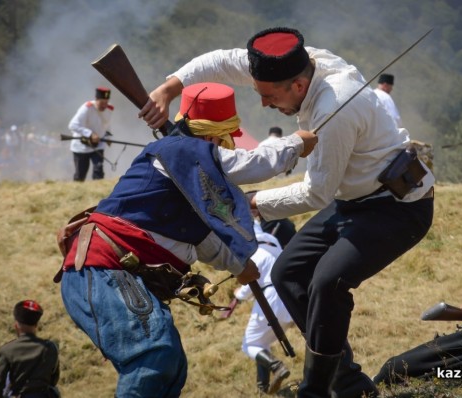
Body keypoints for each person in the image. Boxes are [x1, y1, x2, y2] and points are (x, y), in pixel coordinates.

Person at [139, 26, 434, 397]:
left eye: (268, 96)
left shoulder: (334, 107)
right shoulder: (289, 65)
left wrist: (252, 203)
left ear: (297, 86)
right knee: (287, 274)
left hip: (397, 207)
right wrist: (170, 89)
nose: (263, 104)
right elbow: (219, 62)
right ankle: (351, 386)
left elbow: (317, 192)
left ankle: (315, 390)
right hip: (353, 202)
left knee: (329, 282)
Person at [57, 82, 317, 397]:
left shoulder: (187, 168)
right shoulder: (181, 150)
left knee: (171, 365)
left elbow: (203, 237)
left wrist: (239, 266)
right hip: (104, 267)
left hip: (112, 271)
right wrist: (294, 143)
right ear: (212, 136)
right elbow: (249, 165)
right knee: (154, 355)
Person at [234, 213, 295, 395]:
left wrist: (237, 295)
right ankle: (264, 388)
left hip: (270, 300)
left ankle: (276, 366)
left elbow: (247, 288)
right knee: (261, 344)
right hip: (290, 300)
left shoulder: (256, 254)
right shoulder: (278, 252)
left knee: (249, 344)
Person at [0, 300, 60, 398]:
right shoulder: (50, 348)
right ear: (36, 325)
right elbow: (53, 380)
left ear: (16, 325)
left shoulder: (7, 351)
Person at [68, 87, 114, 181]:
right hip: (81, 146)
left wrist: (108, 136)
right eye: (102, 103)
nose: (104, 106)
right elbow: (73, 125)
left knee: (99, 172)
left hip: (98, 145)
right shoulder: (86, 108)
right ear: (96, 99)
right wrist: (90, 134)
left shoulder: (109, 109)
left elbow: (106, 125)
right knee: (80, 175)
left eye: (106, 102)